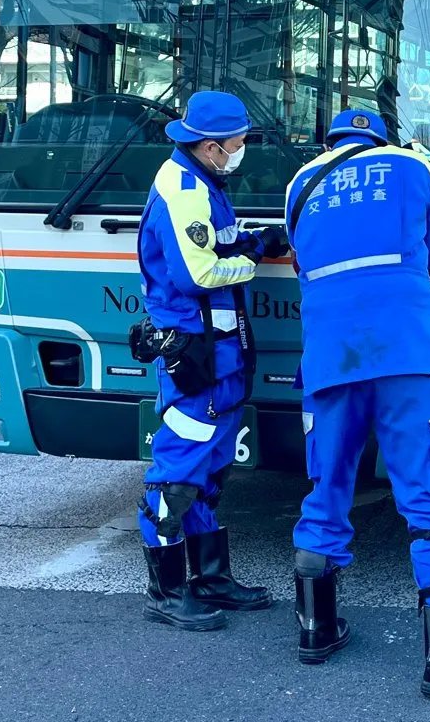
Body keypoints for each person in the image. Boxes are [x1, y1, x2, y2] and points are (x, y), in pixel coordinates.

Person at [284, 108, 430, 700]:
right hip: (403, 350)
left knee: (326, 488)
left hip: (329, 356)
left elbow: (303, 263)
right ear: (378, 137)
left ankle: (315, 631)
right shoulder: (409, 165)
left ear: (328, 141)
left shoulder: (300, 183)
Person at [135, 90, 289, 631]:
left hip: (220, 352)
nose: (242, 149)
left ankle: (209, 577)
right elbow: (196, 274)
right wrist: (252, 261)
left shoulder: (205, 183)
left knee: (210, 471)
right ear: (210, 146)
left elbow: (216, 247)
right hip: (194, 351)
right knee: (177, 472)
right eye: (238, 143)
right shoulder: (183, 191)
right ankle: (167, 590)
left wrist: (254, 240)